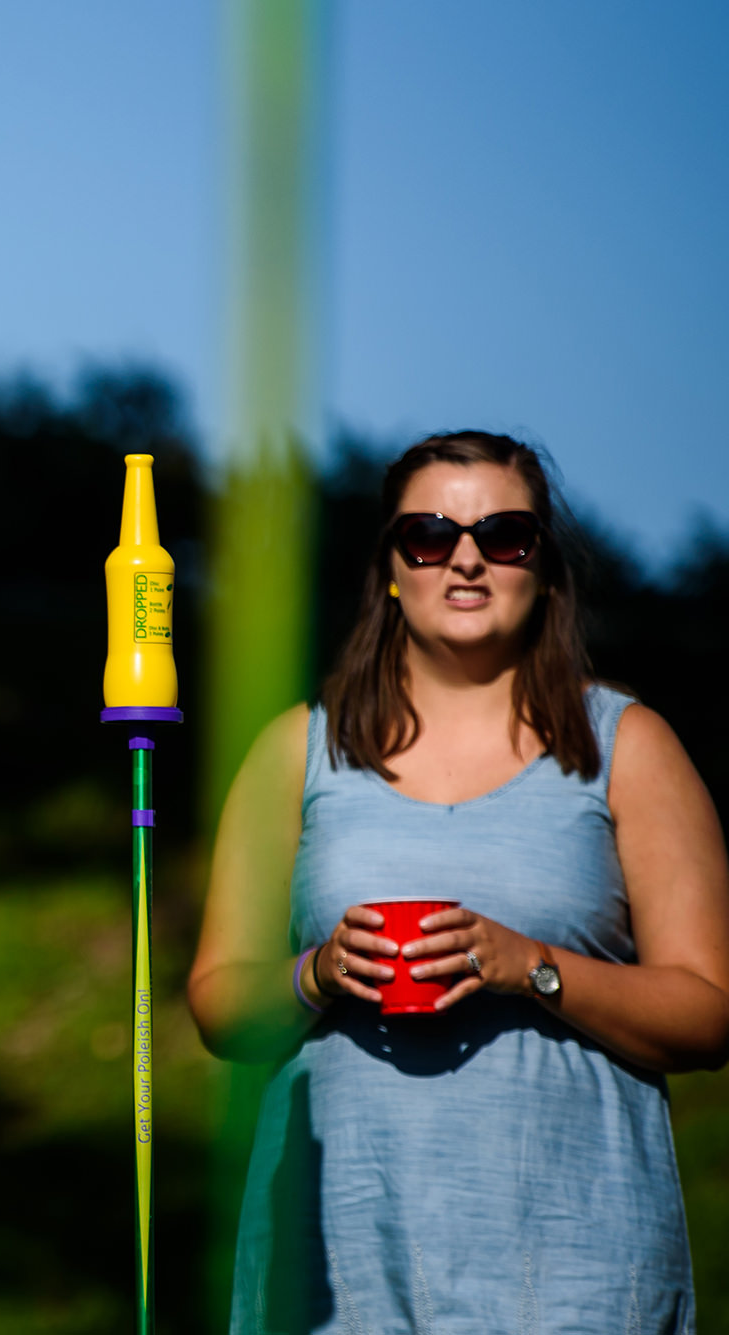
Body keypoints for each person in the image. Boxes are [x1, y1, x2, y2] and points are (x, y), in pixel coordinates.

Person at [188, 432, 729, 1331]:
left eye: (505, 535)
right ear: (391, 569)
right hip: (336, 1273)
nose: (466, 557)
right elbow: (218, 1002)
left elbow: (708, 1008)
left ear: (546, 569)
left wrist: (532, 966)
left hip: (574, 1277)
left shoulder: (629, 746)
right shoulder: (297, 749)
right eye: (430, 535)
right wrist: (316, 972)